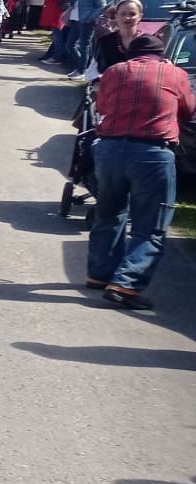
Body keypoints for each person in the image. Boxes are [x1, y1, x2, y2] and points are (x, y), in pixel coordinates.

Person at [87, 33, 195, 312]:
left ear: (129, 53)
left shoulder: (114, 71)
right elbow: (188, 110)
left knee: (109, 213)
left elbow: (102, 106)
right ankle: (126, 283)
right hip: (152, 153)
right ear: (162, 54)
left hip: (110, 149)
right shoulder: (175, 74)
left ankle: (99, 273)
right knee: (150, 223)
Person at [89, 0, 143, 77]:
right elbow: (97, 69)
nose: (127, 18)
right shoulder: (105, 42)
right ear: (116, 16)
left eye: (132, 14)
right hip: (112, 86)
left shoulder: (148, 42)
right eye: (123, 14)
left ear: (140, 16)